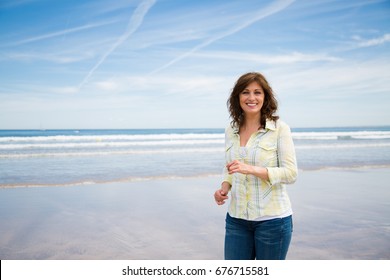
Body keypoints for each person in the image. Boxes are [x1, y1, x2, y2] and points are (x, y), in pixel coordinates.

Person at [214, 72, 298, 260]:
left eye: (257, 92)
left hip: (273, 222)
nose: (251, 98)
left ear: (265, 97)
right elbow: (229, 167)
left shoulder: (279, 129)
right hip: (236, 220)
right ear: (238, 97)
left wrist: (251, 169)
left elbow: (291, 174)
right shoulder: (231, 130)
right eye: (245, 92)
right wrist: (223, 188)